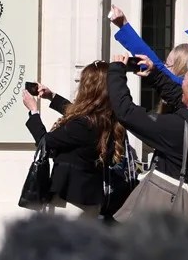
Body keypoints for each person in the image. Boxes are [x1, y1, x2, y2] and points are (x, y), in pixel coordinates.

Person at [108, 54, 188, 215]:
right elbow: (184, 99)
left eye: (185, 80)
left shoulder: (177, 127)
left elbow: (126, 113)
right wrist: (155, 75)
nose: (181, 84)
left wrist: (116, 71)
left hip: (177, 213)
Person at [21, 61, 126, 219]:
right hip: (89, 200)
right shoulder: (107, 118)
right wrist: (52, 96)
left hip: (70, 202)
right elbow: (78, 112)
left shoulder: (83, 125)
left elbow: (44, 142)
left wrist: (34, 112)